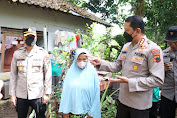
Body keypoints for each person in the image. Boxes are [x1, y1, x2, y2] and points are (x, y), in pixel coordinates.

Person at [89, 15, 164, 118]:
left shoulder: (152, 49)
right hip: (123, 100)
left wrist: (130, 82)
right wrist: (100, 62)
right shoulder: (126, 47)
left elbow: (157, 80)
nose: (125, 33)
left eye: (127, 30)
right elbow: (117, 66)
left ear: (137, 30)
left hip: (139, 105)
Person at [9, 27, 52, 118]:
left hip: (38, 94)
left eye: (32, 36)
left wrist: (46, 93)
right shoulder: (17, 54)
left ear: (36, 38)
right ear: (24, 38)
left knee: (40, 115)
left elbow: (48, 73)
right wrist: (12, 94)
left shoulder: (42, 53)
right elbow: (13, 75)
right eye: (28, 37)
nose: (30, 39)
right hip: (21, 94)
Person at [59, 48, 101, 118]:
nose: (82, 61)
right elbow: (65, 93)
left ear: (88, 59)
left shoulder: (92, 73)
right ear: (75, 60)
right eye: (79, 59)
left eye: (84, 59)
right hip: (71, 112)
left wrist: (92, 112)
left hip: (88, 113)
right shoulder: (70, 73)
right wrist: (65, 111)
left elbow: (96, 93)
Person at [160, 25, 177, 118]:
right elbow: (155, 73)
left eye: (175, 42)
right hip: (167, 93)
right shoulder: (163, 54)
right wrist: (163, 69)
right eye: (170, 42)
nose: (172, 44)